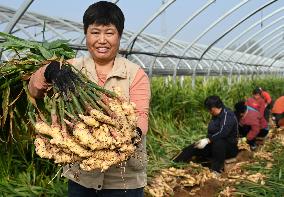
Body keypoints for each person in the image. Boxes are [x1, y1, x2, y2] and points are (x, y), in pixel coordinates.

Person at [28, 1, 151, 196]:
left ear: (119, 35)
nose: (102, 40)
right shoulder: (70, 68)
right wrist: (49, 71)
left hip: (124, 182)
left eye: (109, 33)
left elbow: (141, 115)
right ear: (86, 34)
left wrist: (129, 137)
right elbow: (34, 90)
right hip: (81, 177)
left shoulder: (135, 74)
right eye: (95, 32)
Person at [173, 96, 238, 173]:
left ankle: (216, 170)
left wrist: (208, 140)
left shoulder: (228, 115)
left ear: (213, 108)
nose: (208, 111)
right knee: (195, 146)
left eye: (208, 109)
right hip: (214, 146)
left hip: (229, 148)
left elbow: (223, 132)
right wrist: (204, 141)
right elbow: (212, 132)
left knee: (219, 142)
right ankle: (174, 162)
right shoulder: (215, 115)